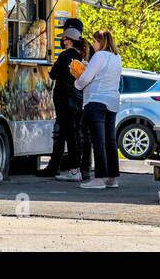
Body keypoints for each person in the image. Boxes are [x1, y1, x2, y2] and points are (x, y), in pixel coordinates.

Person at [75, 29, 122, 190]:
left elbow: (86, 78)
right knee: (110, 141)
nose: (93, 44)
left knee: (98, 141)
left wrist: (78, 81)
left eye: (94, 41)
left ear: (101, 42)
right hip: (112, 101)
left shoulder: (99, 55)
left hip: (96, 100)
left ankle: (100, 178)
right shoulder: (117, 57)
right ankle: (112, 177)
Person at [42, 23, 87, 181]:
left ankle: (73, 169)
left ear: (69, 40)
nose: (63, 41)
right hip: (77, 98)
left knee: (67, 134)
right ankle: (76, 167)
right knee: (74, 134)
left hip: (63, 99)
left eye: (64, 38)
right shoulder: (81, 56)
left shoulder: (64, 55)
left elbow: (53, 75)